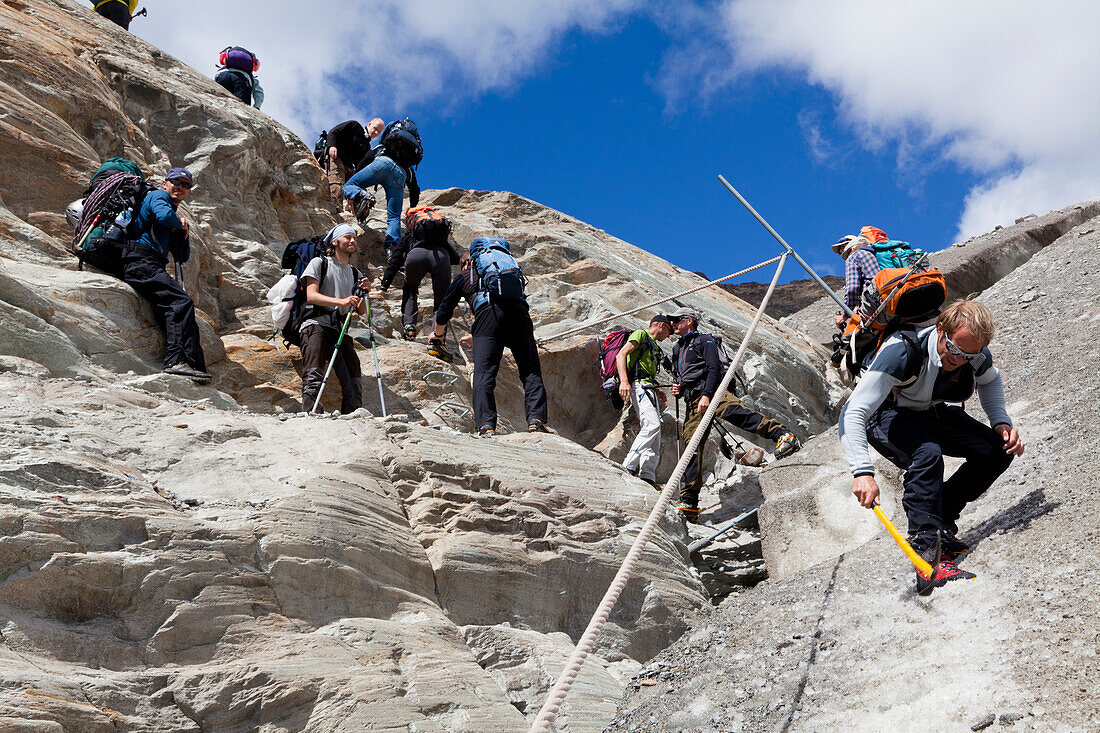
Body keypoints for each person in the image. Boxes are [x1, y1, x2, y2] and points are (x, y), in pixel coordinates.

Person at [841, 297, 1024, 587]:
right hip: (882, 414)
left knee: (996, 449)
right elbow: (853, 412)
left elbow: (991, 380)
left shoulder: (973, 351)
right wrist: (862, 472)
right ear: (940, 329)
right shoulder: (900, 351)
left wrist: (1001, 421)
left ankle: (941, 524)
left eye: (968, 355)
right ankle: (929, 555)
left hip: (926, 410)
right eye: (953, 349)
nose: (959, 360)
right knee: (926, 454)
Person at [670, 306, 801, 521]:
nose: (673, 323)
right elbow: (685, 376)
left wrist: (706, 394)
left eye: (677, 319)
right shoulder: (678, 349)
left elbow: (713, 368)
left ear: (690, 321)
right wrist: (680, 388)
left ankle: (782, 435)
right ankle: (690, 500)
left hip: (712, 391)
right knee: (692, 444)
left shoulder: (704, 340)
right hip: (693, 398)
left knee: (736, 413)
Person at [429, 248, 548, 436]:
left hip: (488, 317)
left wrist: (437, 333)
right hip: (520, 316)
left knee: (484, 374)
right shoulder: (507, 273)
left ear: (467, 263)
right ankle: (536, 420)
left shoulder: (465, 275)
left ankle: (486, 425)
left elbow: (444, 310)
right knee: (530, 371)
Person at [113, 167, 210, 381]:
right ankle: (176, 362)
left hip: (148, 264)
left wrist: (182, 233)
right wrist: (178, 222)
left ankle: (195, 366)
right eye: (176, 181)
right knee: (180, 303)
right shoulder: (158, 196)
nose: (181, 187)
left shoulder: (171, 210)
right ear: (165, 182)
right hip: (140, 261)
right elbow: (165, 216)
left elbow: (181, 256)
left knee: (178, 304)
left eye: (186, 185)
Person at [298, 223, 372, 414]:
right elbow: (311, 296)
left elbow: (361, 311)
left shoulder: (356, 273)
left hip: (339, 328)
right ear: (334, 241)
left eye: (354, 238)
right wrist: (341, 301)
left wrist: (363, 293)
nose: (352, 241)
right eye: (347, 237)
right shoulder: (319, 263)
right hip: (315, 324)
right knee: (314, 369)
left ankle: (354, 411)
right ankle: (310, 409)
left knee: (352, 370)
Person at [380, 207, 458, 341]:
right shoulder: (440, 237)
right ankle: (437, 336)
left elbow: (394, 261)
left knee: (410, 289)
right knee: (441, 297)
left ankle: (409, 326)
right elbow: (455, 258)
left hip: (415, 256)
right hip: (441, 256)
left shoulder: (410, 236)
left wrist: (383, 287)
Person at [342, 119, 421, 248]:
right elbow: (415, 190)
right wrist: (412, 209)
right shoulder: (408, 167)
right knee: (394, 217)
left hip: (382, 163)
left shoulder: (381, 147)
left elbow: (364, 161)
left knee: (349, 186)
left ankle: (363, 196)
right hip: (400, 174)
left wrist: (358, 181)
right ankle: (391, 249)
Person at [616, 315, 674, 487]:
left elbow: (646, 370)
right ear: (661, 326)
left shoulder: (654, 346)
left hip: (648, 388)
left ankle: (648, 475)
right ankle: (628, 465)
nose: (667, 337)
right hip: (639, 386)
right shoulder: (641, 334)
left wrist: (657, 391)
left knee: (655, 432)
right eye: (668, 331)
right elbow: (622, 354)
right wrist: (624, 381)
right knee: (652, 425)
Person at [324, 119, 385, 207]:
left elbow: (360, 164)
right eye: (375, 128)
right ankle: (336, 211)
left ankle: (353, 214)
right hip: (336, 157)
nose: (375, 132)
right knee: (337, 184)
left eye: (378, 132)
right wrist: (332, 146)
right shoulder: (354, 126)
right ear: (369, 124)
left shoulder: (367, 146)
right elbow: (333, 132)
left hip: (349, 166)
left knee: (355, 190)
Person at [832, 234, 880, 330]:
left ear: (852, 244)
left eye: (843, 247)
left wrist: (844, 315)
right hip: (893, 292)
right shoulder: (876, 253)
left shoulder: (853, 257)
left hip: (876, 302)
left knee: (849, 338)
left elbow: (852, 289)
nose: (842, 251)